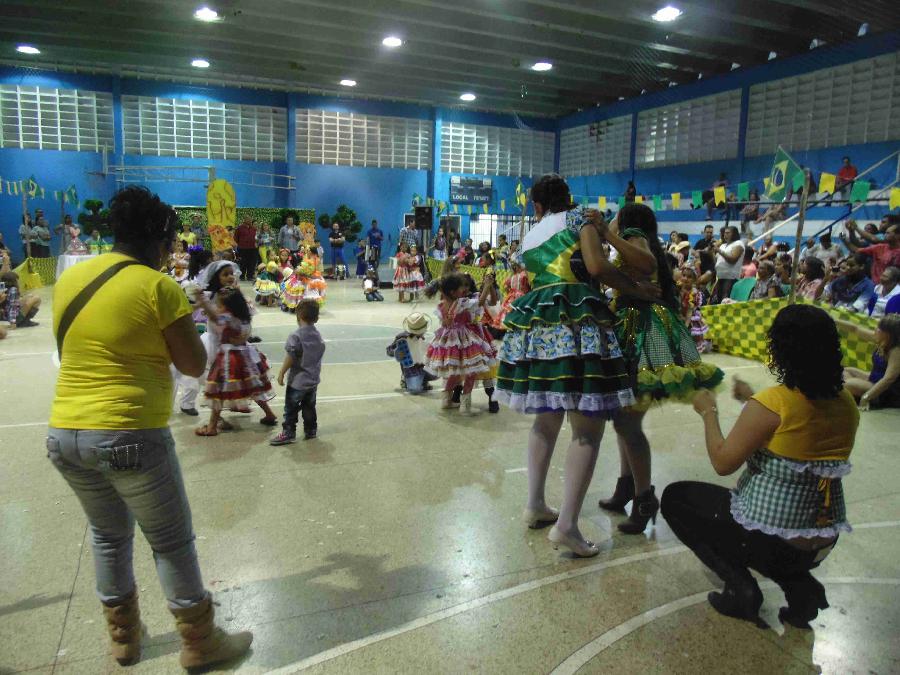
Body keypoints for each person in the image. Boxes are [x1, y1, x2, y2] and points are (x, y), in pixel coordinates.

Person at [46, 186, 251, 668]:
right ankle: (200, 641)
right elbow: (194, 363)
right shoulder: (157, 287)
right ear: (160, 241)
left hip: (65, 435)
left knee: (107, 536)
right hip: (128, 433)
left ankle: (124, 637)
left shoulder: (71, 278)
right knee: (171, 542)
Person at [494, 175, 660, 557]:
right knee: (587, 429)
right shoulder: (579, 219)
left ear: (537, 206)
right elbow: (597, 267)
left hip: (539, 327)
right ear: (567, 198)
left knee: (546, 419)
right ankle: (567, 526)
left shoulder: (529, 236)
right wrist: (636, 289)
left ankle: (535, 504)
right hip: (578, 322)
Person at [663, 304, 859, 627]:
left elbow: (723, 462)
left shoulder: (772, 405)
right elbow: (797, 429)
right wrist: (752, 401)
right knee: (777, 529)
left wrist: (708, 412)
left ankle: (740, 588)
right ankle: (799, 585)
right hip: (822, 540)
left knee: (676, 499)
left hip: (774, 542)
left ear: (780, 349)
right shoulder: (847, 402)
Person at [596, 203, 724, 534]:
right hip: (635, 326)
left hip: (640, 331)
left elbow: (647, 263)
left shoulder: (632, 235)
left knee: (627, 422)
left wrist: (608, 233)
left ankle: (643, 498)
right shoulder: (637, 237)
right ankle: (627, 486)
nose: (612, 220)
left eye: (617, 216)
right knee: (624, 418)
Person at [193, 286, 278, 436]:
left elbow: (214, 317)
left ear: (228, 306)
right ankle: (269, 414)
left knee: (218, 391)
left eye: (221, 305)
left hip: (229, 358)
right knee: (253, 387)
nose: (219, 308)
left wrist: (202, 300)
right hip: (246, 355)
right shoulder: (245, 316)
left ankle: (212, 427)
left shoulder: (228, 318)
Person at [424, 272, 496, 415]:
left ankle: (446, 400)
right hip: (464, 340)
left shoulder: (441, 305)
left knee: (454, 372)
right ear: (453, 292)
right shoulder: (461, 303)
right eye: (461, 287)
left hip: (446, 341)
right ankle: (465, 406)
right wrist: (488, 285)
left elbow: (444, 323)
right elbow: (480, 302)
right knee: (470, 371)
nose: (464, 290)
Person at [270, 299, 326, 444]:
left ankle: (289, 432)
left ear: (298, 316)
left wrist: (282, 372)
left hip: (297, 382)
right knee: (309, 407)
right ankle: (311, 430)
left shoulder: (296, 336)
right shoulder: (318, 336)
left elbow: (291, 356)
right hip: (312, 381)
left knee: (291, 408)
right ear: (316, 318)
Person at [839, 314, 900, 410]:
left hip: (886, 391)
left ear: (888, 334)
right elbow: (855, 329)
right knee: (845, 371)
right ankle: (853, 393)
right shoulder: (882, 338)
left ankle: (869, 397)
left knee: (845, 384)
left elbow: (889, 379)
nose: (875, 329)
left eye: (879, 328)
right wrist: (831, 320)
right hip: (874, 378)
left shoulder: (896, 351)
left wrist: (866, 397)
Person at [386, 312, 434, 393]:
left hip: (421, 366)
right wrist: (396, 353)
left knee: (439, 370)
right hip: (409, 368)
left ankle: (423, 380)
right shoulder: (402, 338)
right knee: (415, 390)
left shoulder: (421, 337)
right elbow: (389, 350)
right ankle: (406, 379)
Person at [712, 226, 744, 303]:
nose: (725, 235)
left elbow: (732, 260)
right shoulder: (723, 245)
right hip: (720, 277)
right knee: (718, 300)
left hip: (731, 278)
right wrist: (711, 252)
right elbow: (717, 262)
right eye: (724, 233)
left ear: (734, 234)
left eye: (728, 233)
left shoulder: (738, 243)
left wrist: (719, 250)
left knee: (725, 301)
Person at [234, 217, 258, 281]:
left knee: (252, 263)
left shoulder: (254, 229)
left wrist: (256, 243)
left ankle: (250, 276)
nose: (249, 220)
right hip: (243, 248)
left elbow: (257, 238)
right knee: (243, 263)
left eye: (250, 219)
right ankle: (242, 276)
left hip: (253, 248)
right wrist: (239, 245)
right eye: (248, 219)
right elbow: (236, 238)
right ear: (244, 220)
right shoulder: (239, 228)